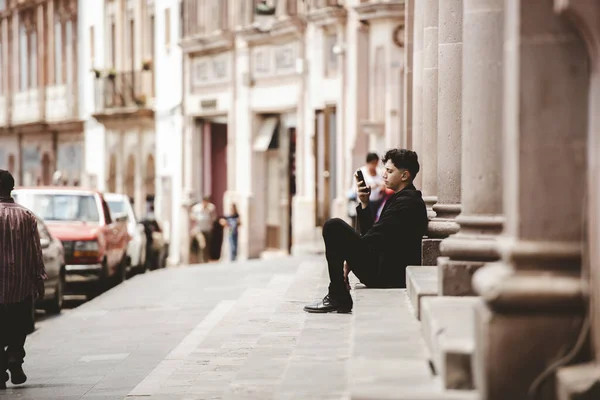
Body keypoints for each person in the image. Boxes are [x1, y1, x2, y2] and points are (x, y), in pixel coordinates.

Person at [304, 149, 428, 313]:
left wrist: (349, 255)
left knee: (333, 226)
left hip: (388, 275)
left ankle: (337, 295)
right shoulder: (401, 198)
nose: (384, 175)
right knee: (335, 228)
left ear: (404, 175)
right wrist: (364, 203)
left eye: (389, 171)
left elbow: (374, 239)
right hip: (383, 267)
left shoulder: (407, 202)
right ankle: (337, 294)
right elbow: (376, 235)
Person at [0, 170, 47, 389]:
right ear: (12, 187)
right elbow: (35, 252)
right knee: (19, 327)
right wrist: (39, 280)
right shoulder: (27, 216)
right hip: (21, 285)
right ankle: (15, 359)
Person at [358, 153, 387, 218]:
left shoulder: (379, 171)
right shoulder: (361, 172)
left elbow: (384, 183)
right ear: (368, 163)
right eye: (373, 163)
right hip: (367, 201)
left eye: (376, 163)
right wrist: (373, 186)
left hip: (379, 201)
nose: (374, 166)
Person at [191, 197, 217, 263]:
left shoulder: (211, 208)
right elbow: (191, 217)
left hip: (207, 229)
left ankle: (206, 259)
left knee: (207, 245)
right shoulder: (197, 208)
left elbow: (214, 217)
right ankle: (201, 260)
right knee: (203, 244)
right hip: (199, 230)